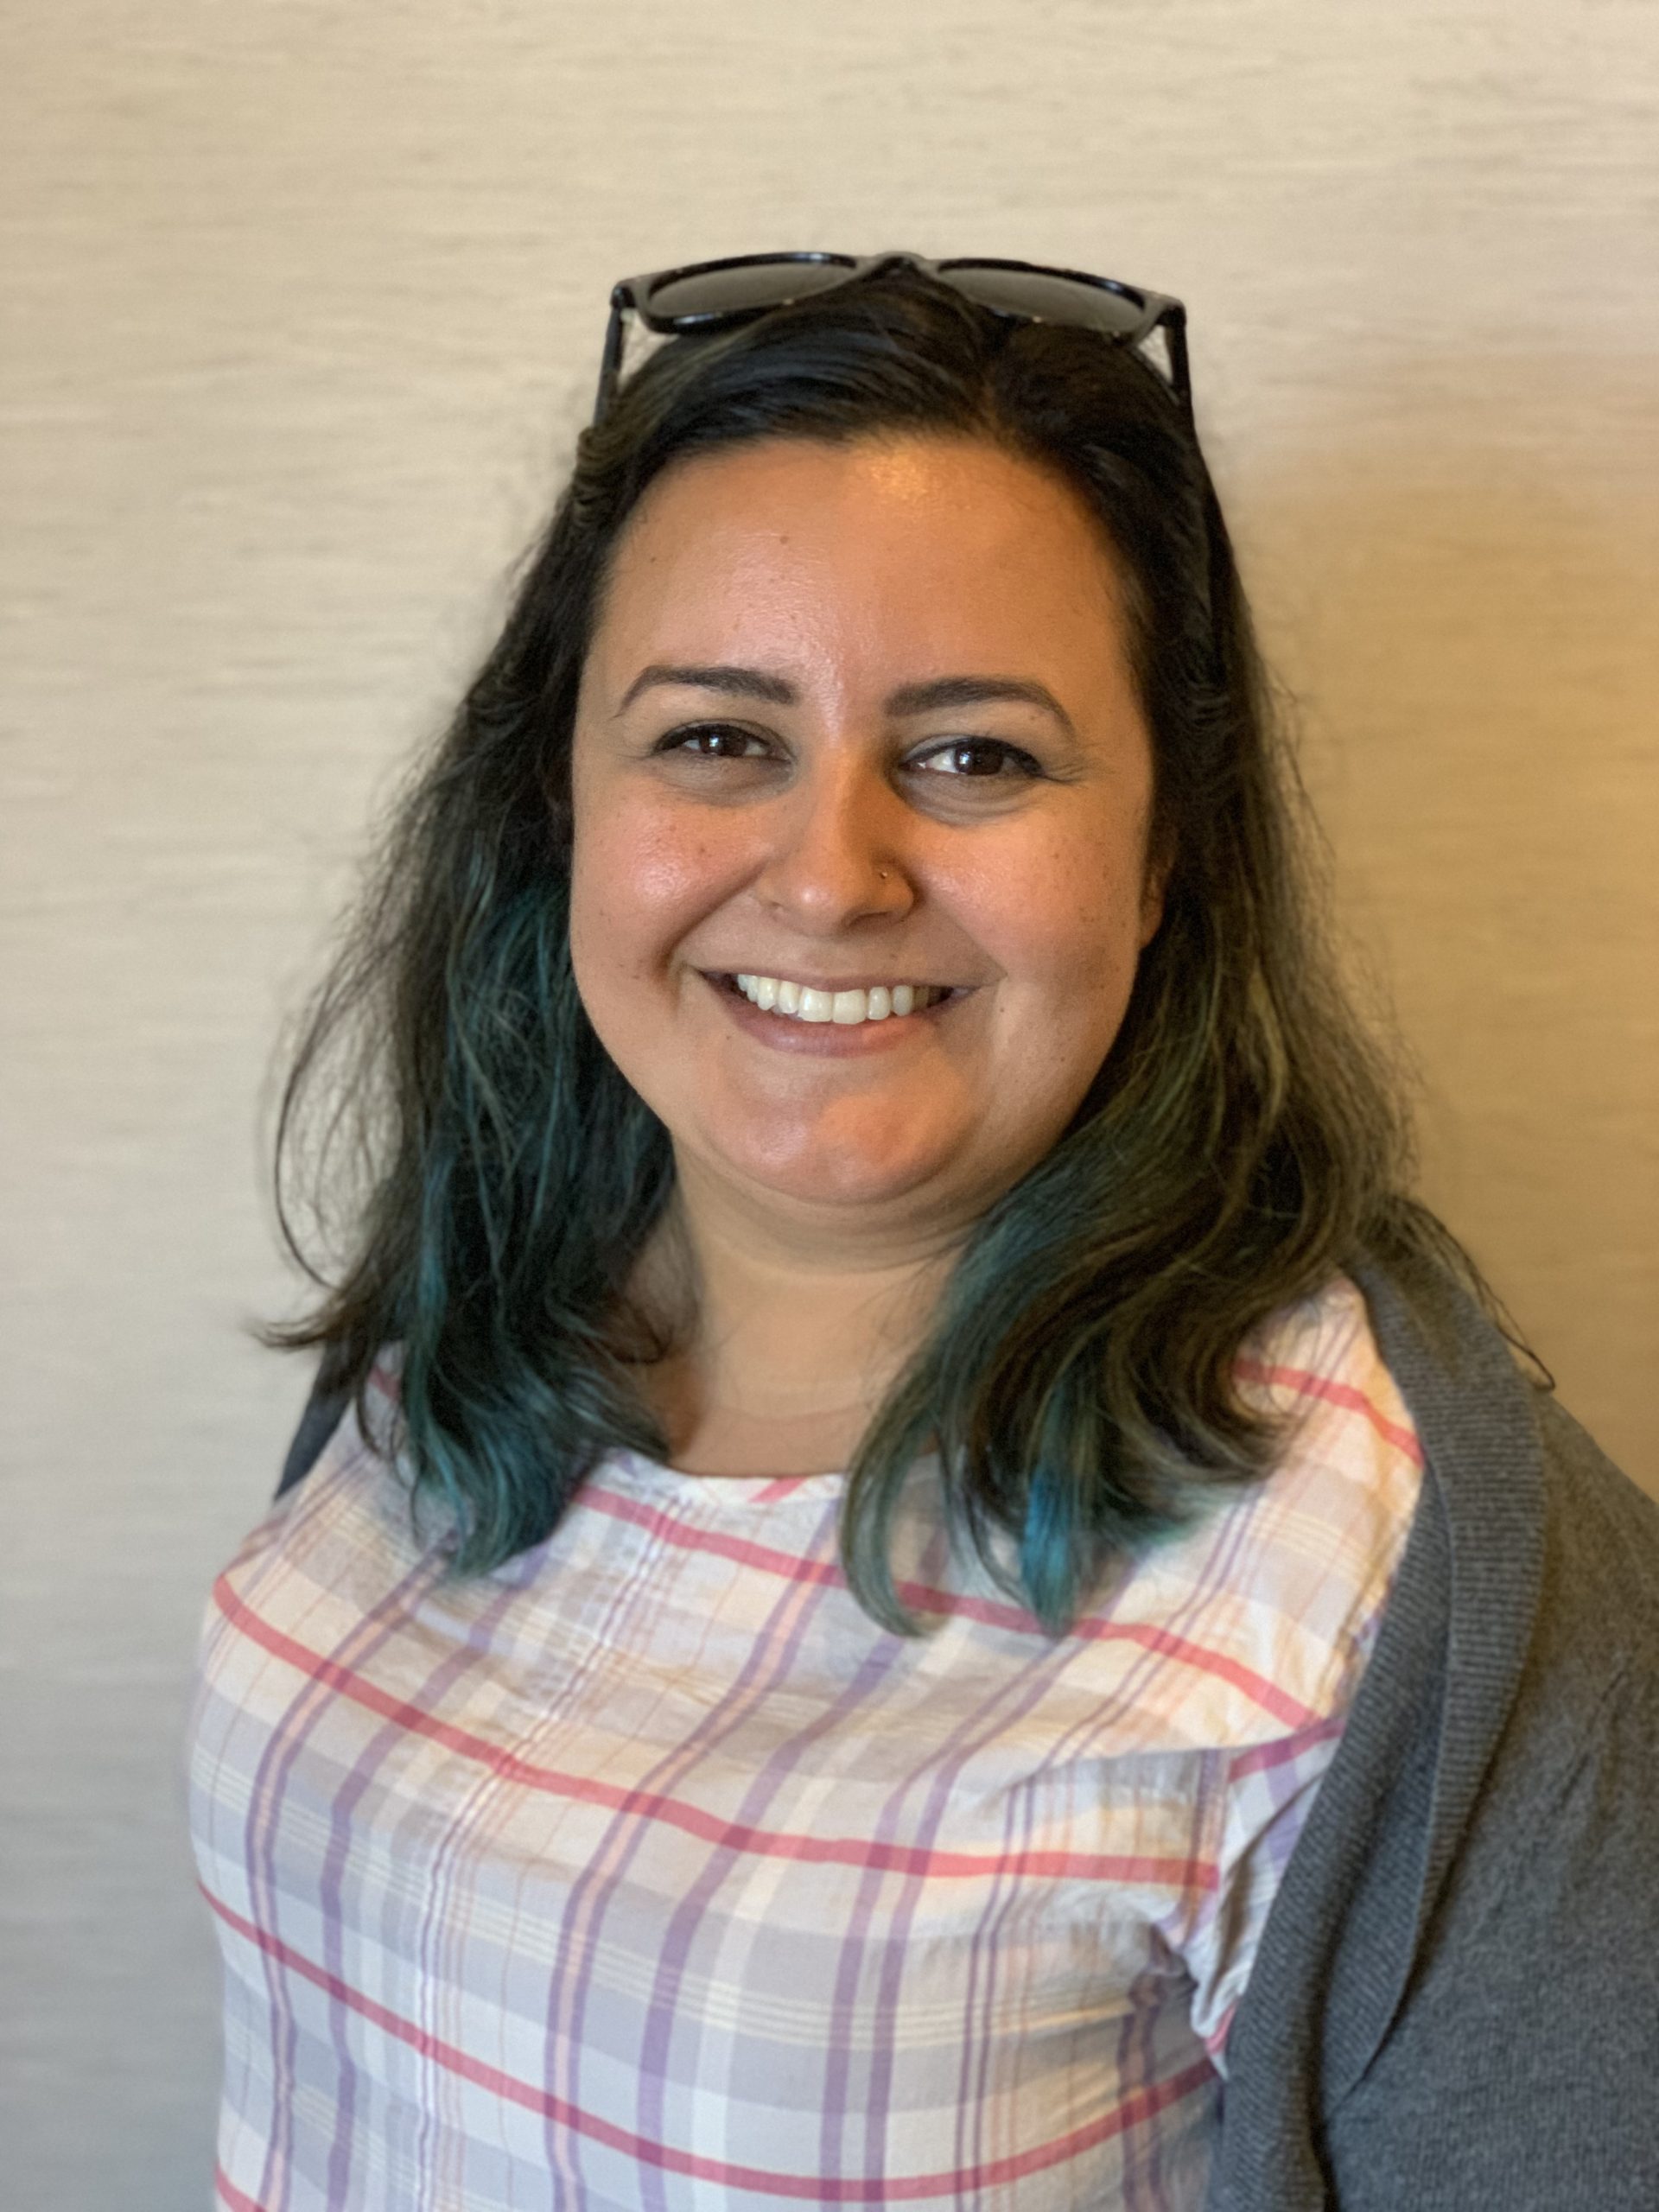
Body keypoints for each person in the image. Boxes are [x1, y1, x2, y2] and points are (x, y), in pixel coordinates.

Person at [187, 252, 1659, 2212]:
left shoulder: (1424, 1581)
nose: (830, 878)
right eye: (717, 738)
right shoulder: (467, 1307)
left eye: (977, 755)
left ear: (1165, 852)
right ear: (559, 802)